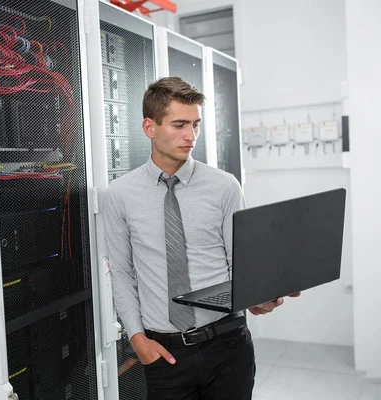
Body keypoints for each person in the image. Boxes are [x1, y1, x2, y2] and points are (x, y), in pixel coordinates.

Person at [102, 77, 300, 400]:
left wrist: (259, 298)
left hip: (227, 346)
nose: (190, 136)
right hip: (164, 354)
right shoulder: (119, 196)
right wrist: (137, 339)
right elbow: (122, 274)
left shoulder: (225, 187)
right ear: (149, 127)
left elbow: (242, 264)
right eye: (179, 125)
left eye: (195, 125)